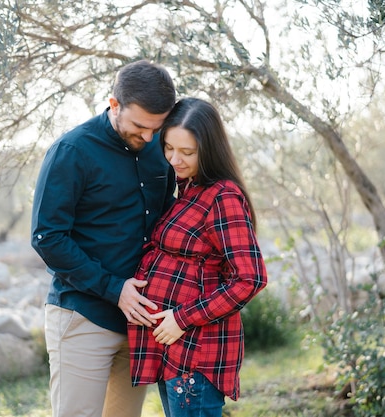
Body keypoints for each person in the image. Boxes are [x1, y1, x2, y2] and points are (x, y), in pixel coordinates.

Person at [30, 59, 177, 417]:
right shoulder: (72, 151)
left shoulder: (162, 148)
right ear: (114, 105)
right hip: (82, 316)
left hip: (141, 322)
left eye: (155, 129)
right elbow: (47, 237)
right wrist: (114, 289)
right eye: (139, 126)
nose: (147, 137)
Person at [128, 97, 268, 417]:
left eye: (187, 152)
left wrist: (181, 318)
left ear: (209, 149)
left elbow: (250, 278)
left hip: (197, 351)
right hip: (172, 348)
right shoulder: (188, 188)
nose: (175, 159)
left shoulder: (223, 196)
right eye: (169, 148)